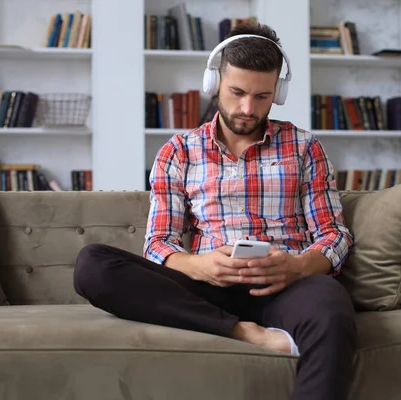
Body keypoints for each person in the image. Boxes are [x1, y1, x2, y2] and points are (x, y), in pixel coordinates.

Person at [74, 22, 356, 400]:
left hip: (287, 284)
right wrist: (200, 265)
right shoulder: (179, 151)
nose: (247, 108)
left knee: (331, 306)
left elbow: (334, 235)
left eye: (262, 96)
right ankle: (243, 331)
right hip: (207, 288)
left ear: (278, 92)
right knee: (93, 265)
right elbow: (158, 243)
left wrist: (299, 267)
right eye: (237, 92)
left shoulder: (304, 147)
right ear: (214, 83)